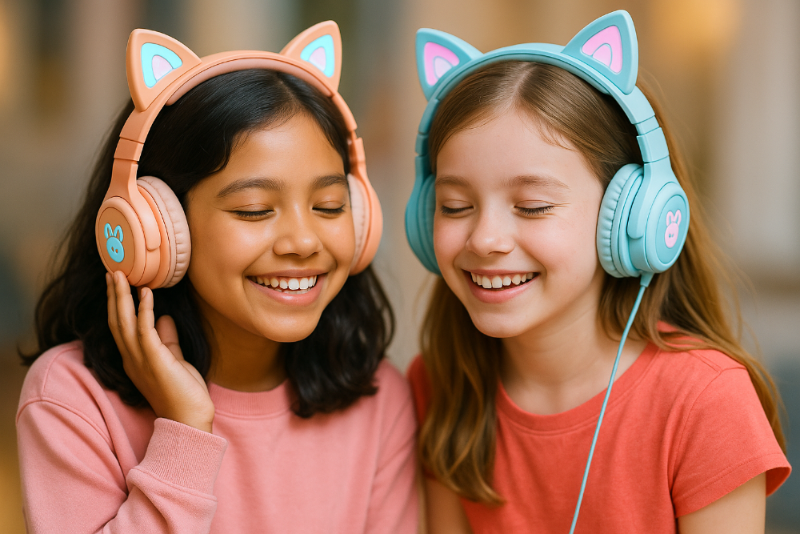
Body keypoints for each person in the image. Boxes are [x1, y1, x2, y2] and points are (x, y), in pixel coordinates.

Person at [17, 22, 417, 533]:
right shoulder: (72, 399)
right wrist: (183, 433)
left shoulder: (380, 399)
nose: (303, 240)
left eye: (329, 205)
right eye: (254, 210)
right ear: (157, 226)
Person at [404, 11, 790, 534]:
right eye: (454, 206)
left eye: (533, 206)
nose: (484, 239)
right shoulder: (442, 381)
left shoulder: (705, 401)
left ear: (631, 217)